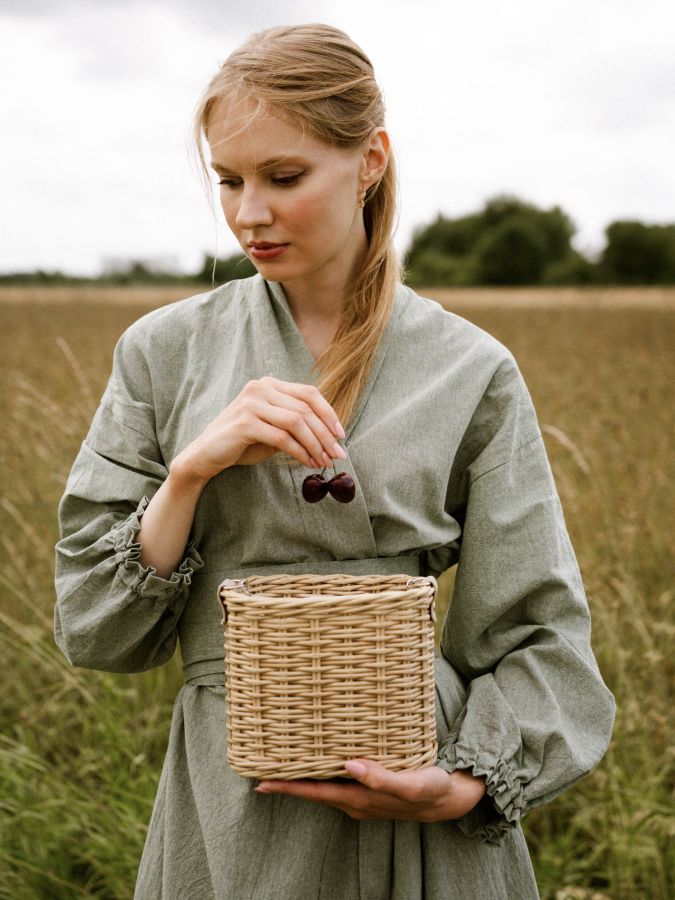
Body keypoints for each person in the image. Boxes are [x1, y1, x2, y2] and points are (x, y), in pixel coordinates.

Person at [53, 23, 616, 900]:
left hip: (414, 796)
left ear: (369, 161)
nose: (248, 213)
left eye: (283, 177)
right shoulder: (161, 353)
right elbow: (94, 625)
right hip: (229, 805)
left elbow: (536, 628)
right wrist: (191, 471)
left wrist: (460, 785)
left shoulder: (469, 368)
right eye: (228, 181)